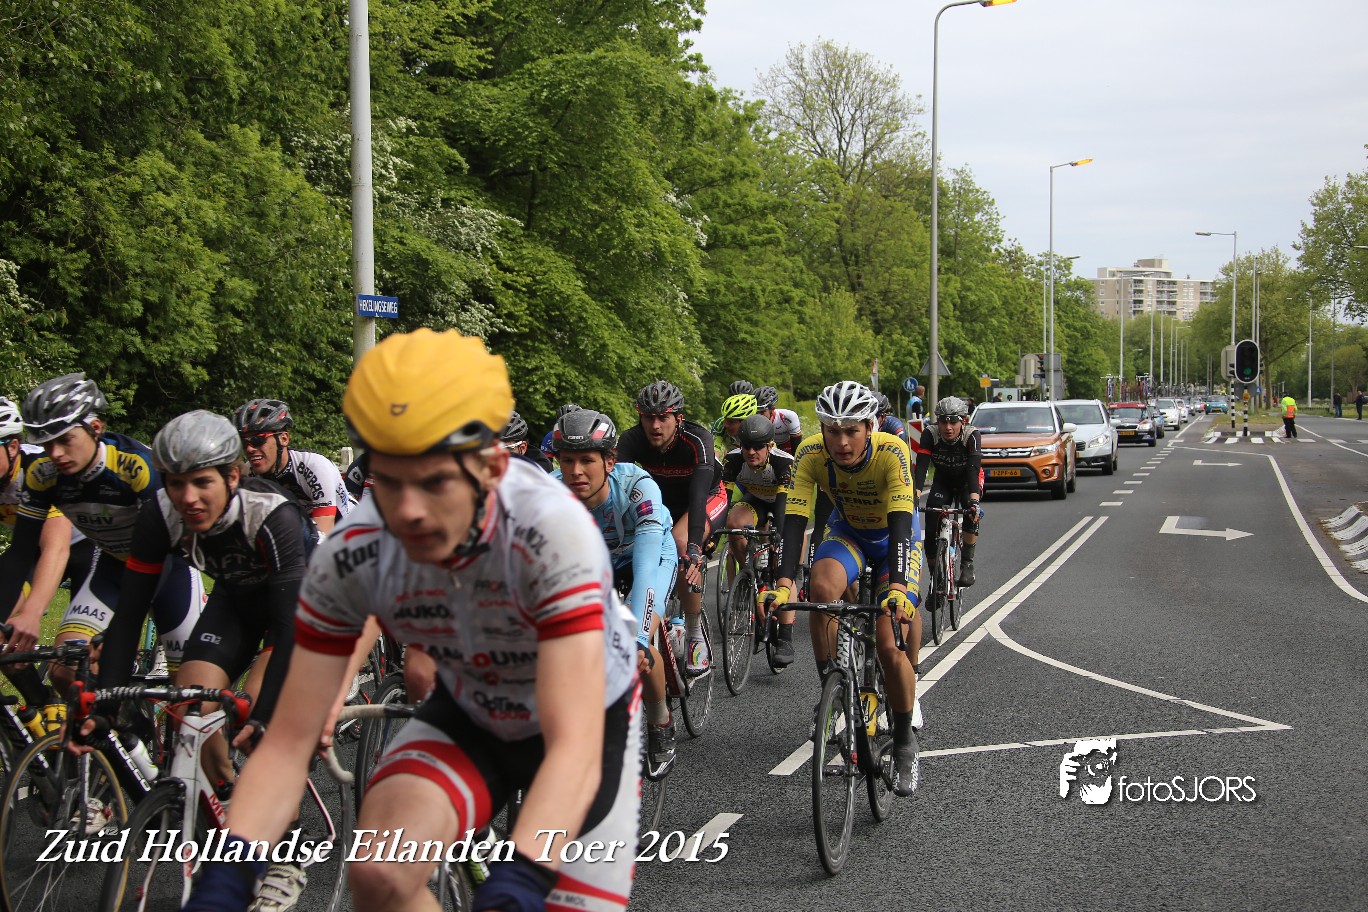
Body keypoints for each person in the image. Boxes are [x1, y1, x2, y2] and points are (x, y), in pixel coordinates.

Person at [184, 328, 640, 912]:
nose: (409, 511)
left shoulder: (552, 532)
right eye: (390, 482)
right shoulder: (357, 548)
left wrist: (523, 878)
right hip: (474, 711)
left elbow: (573, 743)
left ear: (492, 466)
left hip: (588, 724)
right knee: (379, 873)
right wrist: (227, 875)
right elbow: (289, 741)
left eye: (435, 482)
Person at [88, 410, 314, 909]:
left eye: (202, 482)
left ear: (232, 476)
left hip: (298, 611)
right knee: (191, 703)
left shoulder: (269, 513)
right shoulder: (160, 513)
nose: (188, 498)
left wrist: (265, 715)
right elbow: (130, 613)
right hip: (236, 601)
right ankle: (232, 800)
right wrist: (105, 704)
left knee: (258, 707)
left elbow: (290, 627)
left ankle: (289, 851)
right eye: (175, 483)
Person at [764, 380, 924, 796]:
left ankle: (904, 740)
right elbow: (795, 519)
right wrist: (783, 585)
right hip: (849, 533)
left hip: (894, 540)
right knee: (820, 590)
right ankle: (831, 689)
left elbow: (901, 521)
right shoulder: (810, 454)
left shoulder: (892, 451)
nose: (842, 442)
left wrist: (898, 588)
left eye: (851, 430)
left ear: (870, 427)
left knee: (888, 643)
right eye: (832, 431)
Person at [0, 373, 204, 696]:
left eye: (65, 440)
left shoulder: (136, 466)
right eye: (47, 444)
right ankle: (116, 726)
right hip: (111, 568)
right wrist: (22, 615)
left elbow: (164, 550)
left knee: (191, 699)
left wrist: (121, 628)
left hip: (169, 571)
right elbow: (20, 553)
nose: (55, 453)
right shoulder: (43, 474)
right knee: (67, 670)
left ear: (95, 428)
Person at [552, 409, 678, 776]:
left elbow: (646, 569)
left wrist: (636, 638)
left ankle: (660, 721)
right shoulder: (550, 493)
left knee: (638, 645)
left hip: (649, 554)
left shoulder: (639, 488)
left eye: (587, 461)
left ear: (609, 462)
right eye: (567, 461)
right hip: (597, 560)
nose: (576, 471)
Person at [617, 380, 728, 674]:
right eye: (648, 417)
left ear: (678, 418)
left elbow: (698, 495)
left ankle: (694, 634)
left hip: (704, 498)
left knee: (680, 545)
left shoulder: (697, 438)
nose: (655, 425)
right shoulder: (631, 440)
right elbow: (618, 494)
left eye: (663, 417)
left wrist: (694, 548)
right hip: (661, 503)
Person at [719, 414, 795, 665]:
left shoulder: (784, 463)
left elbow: (782, 507)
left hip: (785, 504)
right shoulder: (733, 460)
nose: (751, 452)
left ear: (770, 446)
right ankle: (750, 574)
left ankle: (785, 637)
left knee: (783, 567)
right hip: (758, 500)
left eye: (758, 447)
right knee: (733, 524)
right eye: (746, 446)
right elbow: (724, 501)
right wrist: (712, 535)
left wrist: (780, 541)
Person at [234, 398, 350, 537]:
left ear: (284, 439)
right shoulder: (249, 473)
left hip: (346, 530)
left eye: (258, 440)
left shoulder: (315, 466)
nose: (250, 449)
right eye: (244, 442)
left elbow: (324, 532)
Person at [912, 397, 983, 587]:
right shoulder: (930, 433)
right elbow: (922, 467)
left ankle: (967, 563)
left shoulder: (972, 435)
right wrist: (915, 496)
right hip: (943, 479)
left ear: (963, 421)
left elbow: (973, 470)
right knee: (930, 523)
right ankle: (936, 580)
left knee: (970, 510)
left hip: (968, 480)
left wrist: (974, 502)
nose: (948, 427)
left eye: (953, 422)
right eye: (943, 421)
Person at [754, 386, 803, 454]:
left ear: (772, 409)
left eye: (762, 412)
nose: (758, 416)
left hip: (786, 444)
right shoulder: (751, 419)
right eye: (755, 412)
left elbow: (796, 449)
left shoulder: (788, 417)